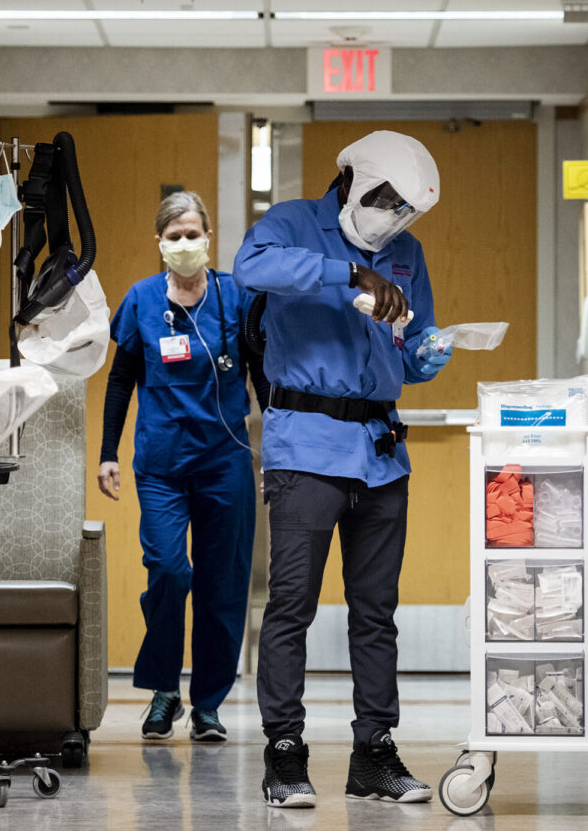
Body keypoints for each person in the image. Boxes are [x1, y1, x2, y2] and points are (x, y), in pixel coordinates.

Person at [233, 130, 452, 808]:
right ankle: (285, 755)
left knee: (375, 612)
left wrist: (430, 352)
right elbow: (250, 269)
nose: (393, 217)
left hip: (382, 452)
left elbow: (410, 350)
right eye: (385, 201)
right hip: (305, 447)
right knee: (292, 605)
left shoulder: (407, 253)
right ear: (355, 182)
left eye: (405, 209)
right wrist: (346, 273)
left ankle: (374, 756)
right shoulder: (293, 224)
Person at [99, 190, 270, 742]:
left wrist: (279, 452)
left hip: (225, 462)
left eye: (192, 234)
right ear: (159, 243)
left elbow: (262, 377)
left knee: (224, 585)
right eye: (174, 237)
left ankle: (208, 706)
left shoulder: (233, 297)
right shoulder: (143, 300)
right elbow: (121, 378)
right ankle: (164, 688)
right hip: (162, 463)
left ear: (208, 236)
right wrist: (107, 452)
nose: (184, 244)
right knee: (170, 571)